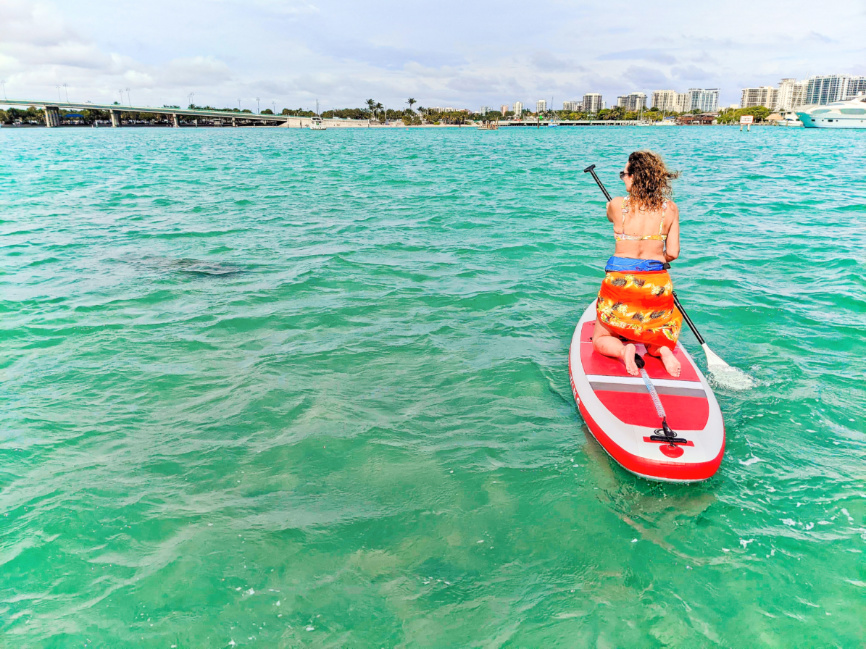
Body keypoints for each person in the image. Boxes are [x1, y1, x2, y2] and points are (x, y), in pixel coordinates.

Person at [592, 151, 683, 377]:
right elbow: (672, 253)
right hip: (656, 287)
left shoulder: (615, 205)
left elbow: (612, 216)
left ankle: (624, 351)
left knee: (601, 338)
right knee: (656, 331)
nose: (622, 177)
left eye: (624, 174)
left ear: (635, 177)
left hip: (621, 284)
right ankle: (662, 349)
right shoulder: (669, 208)